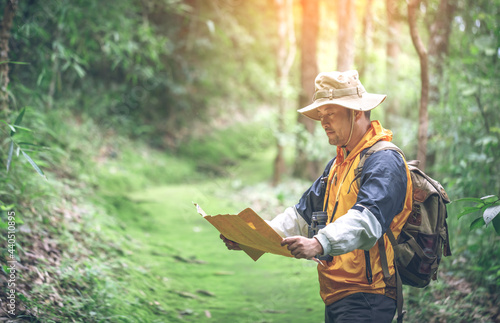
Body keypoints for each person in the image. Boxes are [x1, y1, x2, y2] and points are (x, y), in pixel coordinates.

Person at [221, 70, 413, 323]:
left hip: (369, 297)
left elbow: (367, 221)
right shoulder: (338, 165)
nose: (323, 122)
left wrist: (319, 243)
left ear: (356, 113)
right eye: (321, 115)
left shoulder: (385, 161)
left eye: (330, 113)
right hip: (336, 294)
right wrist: (253, 237)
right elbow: (301, 215)